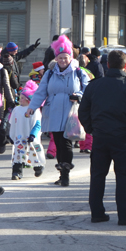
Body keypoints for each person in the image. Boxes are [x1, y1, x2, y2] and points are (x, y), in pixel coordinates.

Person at [78, 49, 126, 225]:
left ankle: (97, 212)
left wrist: (92, 129)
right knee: (123, 176)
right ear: (125, 66)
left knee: (98, 175)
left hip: (101, 137)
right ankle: (125, 215)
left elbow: (83, 111)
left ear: (107, 65)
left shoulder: (95, 85)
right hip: (123, 138)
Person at [27, 36, 89, 187]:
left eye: (65, 57)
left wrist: (79, 96)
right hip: (53, 110)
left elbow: (88, 88)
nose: (62, 61)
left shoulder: (78, 72)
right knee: (59, 143)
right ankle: (62, 173)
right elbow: (41, 92)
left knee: (66, 142)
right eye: (60, 58)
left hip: (70, 111)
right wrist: (32, 107)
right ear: (56, 58)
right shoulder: (49, 73)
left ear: (70, 57)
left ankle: (66, 174)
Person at [9, 81, 45, 180]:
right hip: (19, 137)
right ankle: (16, 172)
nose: (20, 100)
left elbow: (37, 124)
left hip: (30, 137)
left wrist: (33, 135)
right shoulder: (16, 109)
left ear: (29, 100)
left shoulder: (34, 110)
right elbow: (13, 123)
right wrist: (11, 135)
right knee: (18, 154)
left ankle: (38, 167)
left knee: (34, 152)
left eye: (23, 98)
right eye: (20, 97)